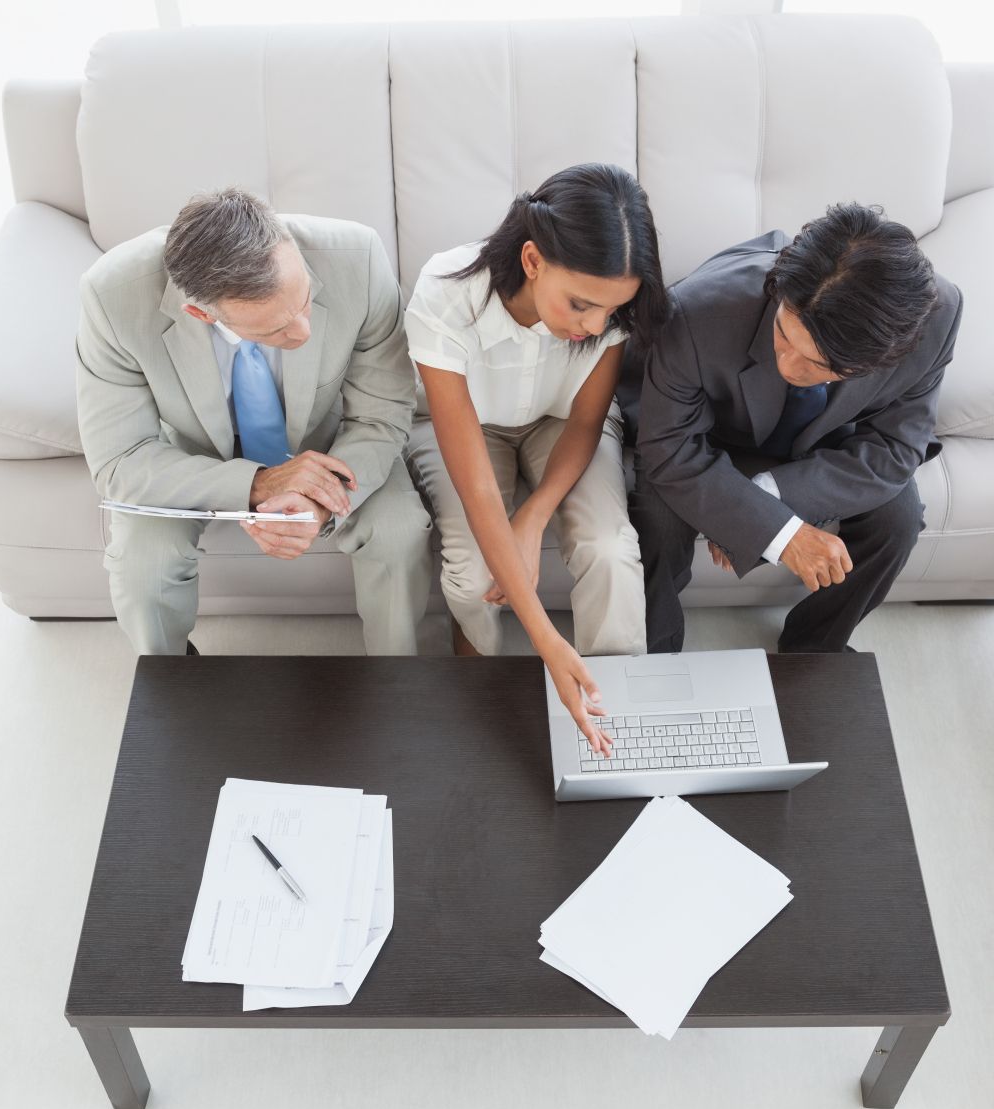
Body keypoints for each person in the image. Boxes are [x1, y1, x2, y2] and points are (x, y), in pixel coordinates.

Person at [77, 188, 433, 655]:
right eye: (275, 330)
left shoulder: (359, 258)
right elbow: (119, 462)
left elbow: (382, 414)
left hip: (330, 442)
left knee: (398, 530)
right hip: (192, 454)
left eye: (304, 302)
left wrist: (318, 500)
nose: (303, 332)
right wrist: (259, 484)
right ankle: (169, 686)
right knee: (143, 562)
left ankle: (396, 677)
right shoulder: (110, 295)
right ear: (200, 313)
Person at [405, 162, 667, 752]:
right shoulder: (446, 292)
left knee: (609, 548)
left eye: (610, 312)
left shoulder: (609, 309)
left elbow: (585, 421)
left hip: (564, 425)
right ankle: (480, 681)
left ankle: (612, 708)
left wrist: (534, 516)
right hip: (466, 426)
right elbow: (475, 486)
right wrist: (547, 640)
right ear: (532, 261)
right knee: (473, 575)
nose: (595, 325)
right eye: (580, 305)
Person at [626, 204, 963, 655]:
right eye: (784, 334)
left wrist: (764, 500)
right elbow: (669, 448)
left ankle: (813, 652)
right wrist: (779, 533)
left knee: (898, 519)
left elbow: (895, 448)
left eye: (818, 364)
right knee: (659, 516)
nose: (788, 365)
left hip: (822, 441)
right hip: (711, 433)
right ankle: (655, 656)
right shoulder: (695, 312)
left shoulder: (937, 317)